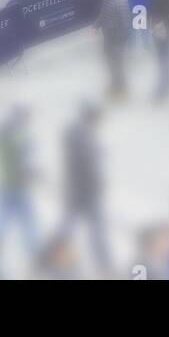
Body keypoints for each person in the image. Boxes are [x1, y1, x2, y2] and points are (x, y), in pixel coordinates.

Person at [57, 104, 111, 275]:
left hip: (74, 191)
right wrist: (99, 182)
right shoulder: (85, 137)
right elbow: (88, 164)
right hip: (86, 192)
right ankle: (104, 265)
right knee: (97, 230)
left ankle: (53, 260)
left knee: (68, 228)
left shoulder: (73, 133)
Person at [0, 105, 38, 270]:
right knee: (29, 224)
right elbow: (27, 164)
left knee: (0, 221)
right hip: (19, 187)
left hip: (3, 185)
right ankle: (35, 257)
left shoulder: (0, 131)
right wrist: (34, 174)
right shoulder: (22, 136)